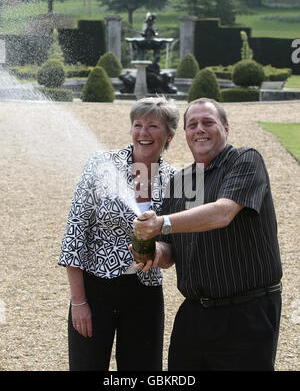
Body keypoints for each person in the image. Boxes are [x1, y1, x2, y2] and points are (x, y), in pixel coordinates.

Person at [134, 97, 283, 371]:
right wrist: (150, 250)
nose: (199, 129)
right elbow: (169, 254)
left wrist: (161, 223)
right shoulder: (180, 181)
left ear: (226, 128)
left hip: (246, 313)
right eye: (192, 124)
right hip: (194, 315)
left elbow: (222, 213)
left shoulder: (245, 160)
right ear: (185, 134)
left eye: (208, 122)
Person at [58, 96, 180, 371]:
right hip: (95, 289)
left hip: (145, 294)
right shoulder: (101, 164)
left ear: (169, 134)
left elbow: (174, 251)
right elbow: (75, 232)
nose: (143, 133)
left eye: (153, 126)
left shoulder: (176, 180)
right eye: (137, 125)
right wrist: (79, 301)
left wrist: (158, 252)